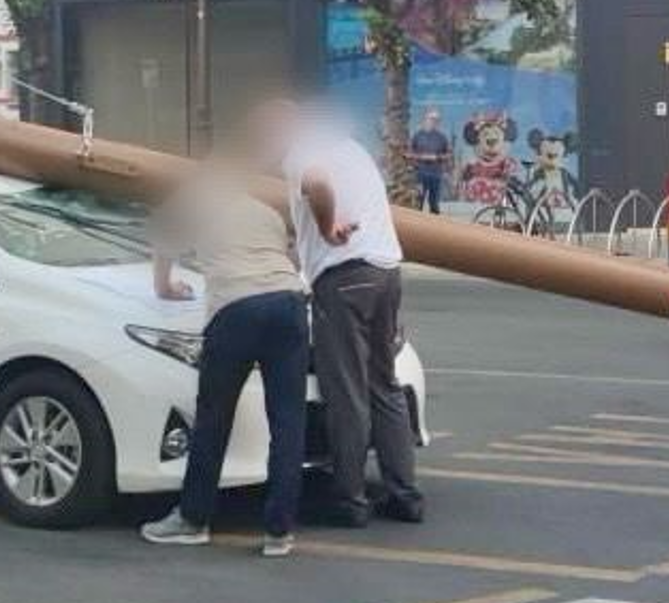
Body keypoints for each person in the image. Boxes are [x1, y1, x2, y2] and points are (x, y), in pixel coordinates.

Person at [139, 138, 309, 558]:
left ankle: (192, 519)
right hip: (288, 303)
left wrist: (164, 286)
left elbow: (164, 238)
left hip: (235, 307)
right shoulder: (265, 196)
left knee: (214, 418)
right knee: (288, 420)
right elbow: (296, 251)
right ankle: (279, 531)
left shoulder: (199, 189)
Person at [263, 99, 424, 527]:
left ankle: (350, 500)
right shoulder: (348, 148)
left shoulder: (302, 154)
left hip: (345, 276)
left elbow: (317, 184)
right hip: (386, 270)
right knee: (383, 383)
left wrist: (326, 225)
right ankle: (405, 494)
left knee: (346, 392)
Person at [408, 110, 453, 214]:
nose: (434, 122)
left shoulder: (442, 137)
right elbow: (409, 153)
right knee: (418, 202)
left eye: (437, 120)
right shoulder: (417, 136)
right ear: (425, 119)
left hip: (436, 175)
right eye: (432, 119)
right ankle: (415, 227)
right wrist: (421, 157)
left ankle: (436, 227)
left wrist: (437, 157)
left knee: (434, 204)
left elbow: (449, 155)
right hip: (420, 174)